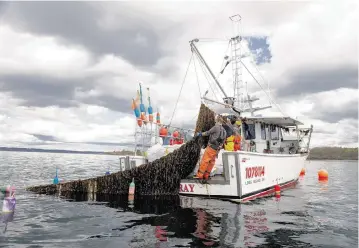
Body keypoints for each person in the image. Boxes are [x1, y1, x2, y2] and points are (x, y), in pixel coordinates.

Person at [195, 116, 227, 180]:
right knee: (212, 162)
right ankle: (206, 175)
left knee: (205, 161)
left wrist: (200, 134)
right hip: (217, 149)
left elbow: (208, 133)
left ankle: (200, 175)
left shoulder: (215, 127)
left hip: (211, 147)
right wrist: (219, 148)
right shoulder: (224, 131)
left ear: (217, 121)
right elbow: (223, 141)